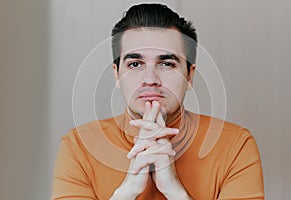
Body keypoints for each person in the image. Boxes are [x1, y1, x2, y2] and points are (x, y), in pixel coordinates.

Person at [52, 3, 264, 200]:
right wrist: (128, 190)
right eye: (135, 64)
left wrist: (174, 189)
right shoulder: (78, 147)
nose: (150, 80)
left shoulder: (236, 146)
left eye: (167, 64)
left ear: (189, 76)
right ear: (117, 75)